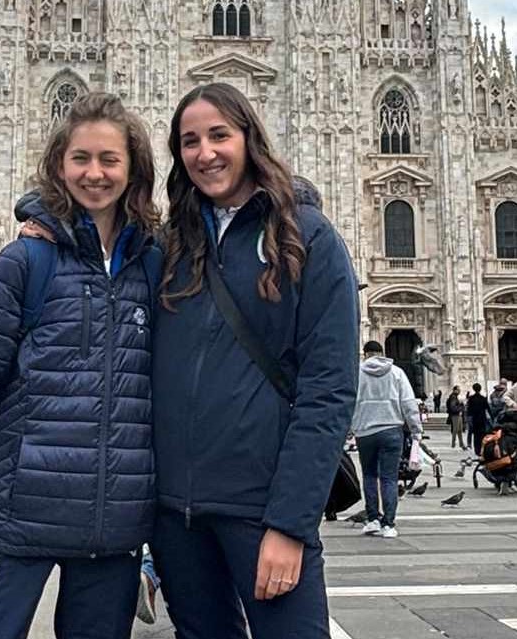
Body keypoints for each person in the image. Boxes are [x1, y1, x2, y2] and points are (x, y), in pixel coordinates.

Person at [0, 92, 163, 639]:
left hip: (112, 533)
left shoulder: (154, 264)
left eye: (110, 160)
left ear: (133, 169)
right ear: (60, 165)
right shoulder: (25, 261)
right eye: (81, 158)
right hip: (12, 525)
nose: (95, 173)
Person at [148, 83, 359, 639]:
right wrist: (38, 217)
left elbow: (329, 391)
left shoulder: (307, 238)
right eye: (189, 141)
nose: (205, 152)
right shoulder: (171, 245)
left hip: (261, 508)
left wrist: (290, 524)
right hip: (176, 515)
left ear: (250, 138)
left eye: (219, 135)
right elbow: (95, 227)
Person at [351, 340, 421, 539]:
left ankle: (373, 519)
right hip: (391, 431)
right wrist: (416, 430)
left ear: (365, 354)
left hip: (365, 433)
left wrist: (349, 429)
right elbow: (408, 403)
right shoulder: (396, 372)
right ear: (381, 353)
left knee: (369, 476)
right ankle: (388, 524)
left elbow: (349, 401)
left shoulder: (356, 373)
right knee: (389, 478)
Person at [467, 383, 490, 450]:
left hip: (474, 419)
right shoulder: (483, 398)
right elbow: (488, 408)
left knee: (476, 435)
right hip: (482, 419)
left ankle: (476, 449)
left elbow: (469, 410)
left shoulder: (471, 398)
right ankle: (482, 448)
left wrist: (469, 419)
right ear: (480, 389)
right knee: (482, 434)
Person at [446, 385, 466, 451]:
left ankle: (461, 443)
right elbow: (453, 407)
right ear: (455, 390)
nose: (459, 391)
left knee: (459, 430)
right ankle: (453, 443)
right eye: (458, 389)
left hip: (457, 415)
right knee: (455, 430)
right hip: (455, 415)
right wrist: (461, 407)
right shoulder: (453, 397)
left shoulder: (454, 397)